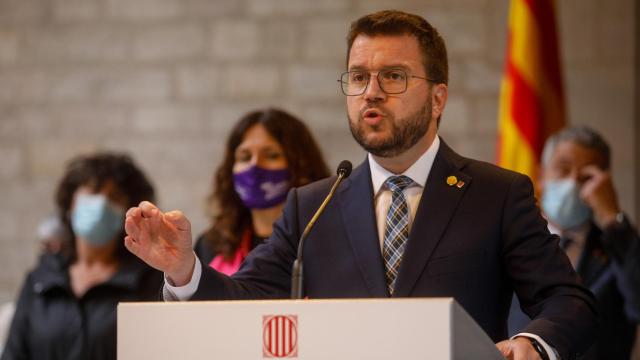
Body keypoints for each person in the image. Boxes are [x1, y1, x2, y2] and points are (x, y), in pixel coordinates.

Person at [124, 10, 597, 359]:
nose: (371, 91)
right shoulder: (312, 206)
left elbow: (567, 299)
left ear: (438, 99)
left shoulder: (496, 193)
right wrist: (185, 270)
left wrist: (532, 342)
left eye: (393, 76)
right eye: (358, 76)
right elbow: (243, 301)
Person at [2, 153, 164, 360]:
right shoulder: (40, 280)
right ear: (71, 204)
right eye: (93, 192)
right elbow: (13, 353)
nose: (101, 204)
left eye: (114, 197)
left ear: (128, 210)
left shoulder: (148, 281)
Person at [509, 126, 640, 359]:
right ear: (541, 175)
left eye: (586, 176)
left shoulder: (618, 247)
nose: (572, 183)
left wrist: (612, 218)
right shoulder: (511, 240)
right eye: (563, 170)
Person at [193, 108, 330, 274]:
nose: (254, 166)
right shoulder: (211, 245)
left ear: (301, 166)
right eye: (245, 157)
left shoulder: (328, 240)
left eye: (271, 155)